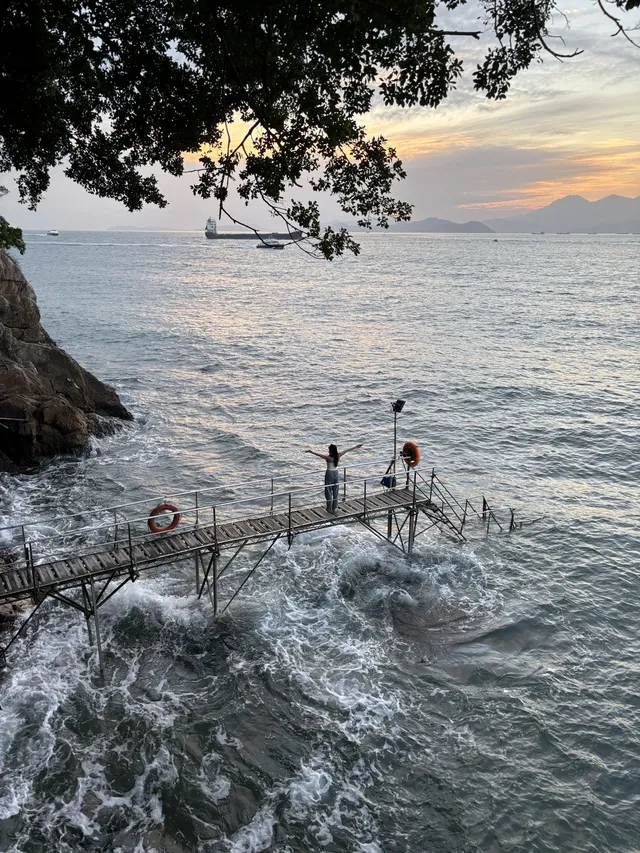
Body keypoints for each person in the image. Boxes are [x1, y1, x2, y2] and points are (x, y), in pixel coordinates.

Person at [306, 442, 363, 513]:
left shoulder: (329, 458)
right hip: (336, 473)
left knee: (328, 491)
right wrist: (355, 447)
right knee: (335, 491)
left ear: (331, 451)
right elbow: (346, 450)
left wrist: (311, 452)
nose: (328, 452)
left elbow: (320, 455)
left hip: (329, 473)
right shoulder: (338, 455)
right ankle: (335, 507)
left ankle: (329, 508)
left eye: (329, 450)